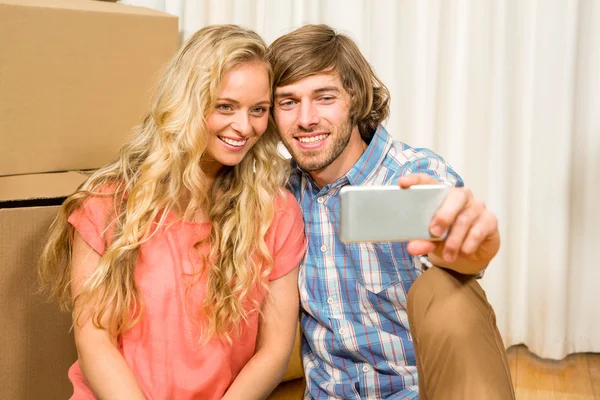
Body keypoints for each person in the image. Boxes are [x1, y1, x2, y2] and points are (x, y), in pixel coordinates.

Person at [38, 25, 306, 400]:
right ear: (188, 103)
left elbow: (274, 351)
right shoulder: (108, 202)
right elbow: (93, 339)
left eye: (258, 110)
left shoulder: (277, 211)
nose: (245, 127)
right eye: (225, 106)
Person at [268, 24, 515, 399]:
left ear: (354, 96)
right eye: (288, 102)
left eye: (324, 97)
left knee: (448, 289)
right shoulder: (280, 193)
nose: (305, 119)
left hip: (419, 391)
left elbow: (457, 261)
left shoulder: (412, 174)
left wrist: (467, 252)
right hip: (329, 394)